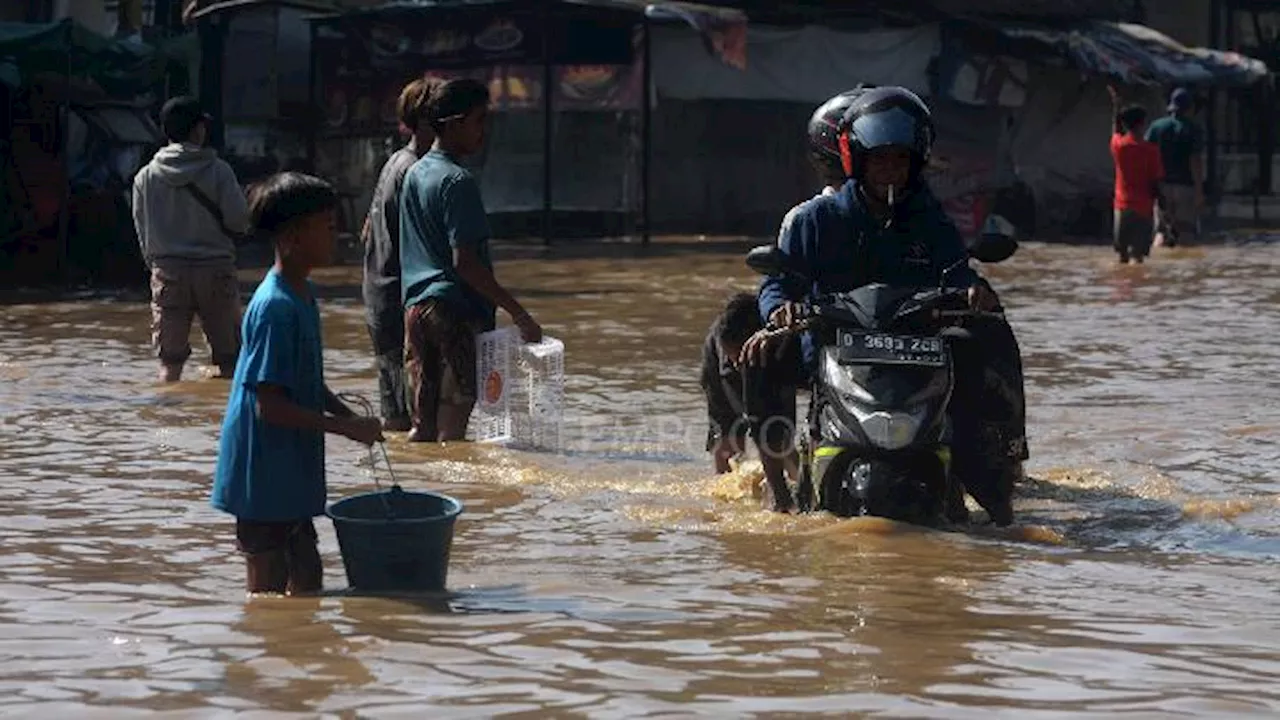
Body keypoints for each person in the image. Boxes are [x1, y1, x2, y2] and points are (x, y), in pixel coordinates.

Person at [743, 86, 1027, 526]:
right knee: (758, 353)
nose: (889, 172)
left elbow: (957, 271)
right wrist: (780, 312)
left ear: (915, 163)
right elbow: (780, 283)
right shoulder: (815, 220)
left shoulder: (929, 219)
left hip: (916, 346)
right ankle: (778, 490)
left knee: (989, 336)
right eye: (879, 160)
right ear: (856, 160)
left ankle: (996, 473)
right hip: (828, 343)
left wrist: (974, 291)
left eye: (899, 160)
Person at [211, 172, 385, 596]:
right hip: (262, 475)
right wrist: (345, 428)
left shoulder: (302, 293)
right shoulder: (275, 307)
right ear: (291, 238)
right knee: (267, 590)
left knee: (307, 581)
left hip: (286, 472)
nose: (336, 235)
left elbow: (302, 380)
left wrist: (345, 413)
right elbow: (269, 406)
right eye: (326, 227)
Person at [399, 78, 543, 442]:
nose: (484, 131)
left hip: (416, 309)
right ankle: (459, 496)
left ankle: (425, 492)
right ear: (454, 123)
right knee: (454, 428)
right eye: (479, 121)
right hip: (453, 311)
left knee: (424, 426)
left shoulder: (415, 173)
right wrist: (519, 312)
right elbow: (466, 263)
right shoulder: (458, 181)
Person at [132, 96, 250, 382]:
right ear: (198, 130)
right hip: (215, 270)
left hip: (169, 272)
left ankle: (165, 422)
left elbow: (143, 234)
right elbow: (239, 221)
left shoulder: (145, 177)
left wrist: (159, 265)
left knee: (169, 366)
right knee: (230, 362)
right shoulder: (219, 171)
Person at [361, 77, 440, 432]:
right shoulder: (415, 171)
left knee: (396, 409)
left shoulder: (396, 161)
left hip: (380, 295)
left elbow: (367, 231)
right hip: (398, 300)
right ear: (426, 121)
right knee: (413, 415)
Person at [701, 293, 801, 513]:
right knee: (727, 436)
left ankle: (798, 490)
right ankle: (726, 505)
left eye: (741, 360)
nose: (739, 365)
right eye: (735, 359)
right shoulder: (726, 359)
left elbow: (780, 433)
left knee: (780, 433)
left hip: (769, 355)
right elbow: (753, 422)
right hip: (720, 369)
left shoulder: (783, 345)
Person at [1107, 89, 1165, 265]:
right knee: (1138, 258)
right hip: (1144, 208)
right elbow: (1156, 182)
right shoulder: (1151, 150)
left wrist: (1116, 108)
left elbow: (1115, 131)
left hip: (1122, 207)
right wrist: (1162, 205)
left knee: (1122, 258)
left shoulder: (1119, 147)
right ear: (1142, 124)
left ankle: (1123, 288)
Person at [1145, 88, 1204, 248]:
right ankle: (1183, 268)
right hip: (1185, 187)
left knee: (1162, 231)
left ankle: (1161, 265)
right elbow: (1195, 161)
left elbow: (1147, 154)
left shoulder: (1156, 127)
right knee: (1186, 232)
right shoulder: (1193, 129)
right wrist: (1199, 191)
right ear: (1190, 108)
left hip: (1161, 186)